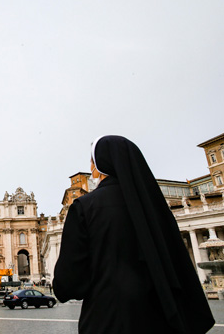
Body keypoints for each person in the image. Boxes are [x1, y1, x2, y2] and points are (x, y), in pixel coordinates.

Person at [53, 135, 215, 334]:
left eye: (92, 161)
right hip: (161, 319)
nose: (90, 166)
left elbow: (69, 282)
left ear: (100, 166)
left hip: (108, 317)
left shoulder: (85, 207)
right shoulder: (157, 208)